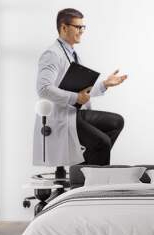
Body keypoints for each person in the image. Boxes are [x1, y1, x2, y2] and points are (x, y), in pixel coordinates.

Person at [33, 8, 127, 175]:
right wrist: (76, 97)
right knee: (102, 142)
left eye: (83, 27)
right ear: (64, 28)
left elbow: (80, 90)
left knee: (117, 122)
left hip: (75, 112)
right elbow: (44, 89)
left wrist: (105, 84)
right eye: (78, 27)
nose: (81, 31)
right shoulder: (52, 54)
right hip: (62, 117)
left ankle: (86, 168)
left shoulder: (72, 54)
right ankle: (94, 184)